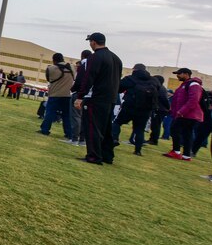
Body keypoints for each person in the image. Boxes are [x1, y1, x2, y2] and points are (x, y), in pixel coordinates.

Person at [74, 32, 122, 165]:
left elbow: (88, 77)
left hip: (96, 97)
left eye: (90, 42)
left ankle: (94, 156)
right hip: (111, 98)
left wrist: (80, 96)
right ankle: (107, 155)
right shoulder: (116, 58)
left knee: (92, 127)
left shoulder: (95, 57)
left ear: (93, 42)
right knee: (106, 129)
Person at [114, 64, 158, 156]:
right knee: (140, 129)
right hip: (146, 109)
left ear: (134, 69)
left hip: (130, 106)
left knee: (117, 122)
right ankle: (138, 150)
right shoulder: (153, 80)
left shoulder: (130, 78)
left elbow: (118, 88)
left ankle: (114, 138)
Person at [165, 68, 203, 161]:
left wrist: (182, 111)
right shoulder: (185, 85)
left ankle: (176, 151)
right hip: (187, 114)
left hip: (187, 114)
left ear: (186, 74)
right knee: (187, 134)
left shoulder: (193, 84)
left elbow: (193, 100)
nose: (177, 76)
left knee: (175, 129)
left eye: (179, 74)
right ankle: (186, 155)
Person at [38, 53, 74, 138]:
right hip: (67, 95)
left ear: (53, 60)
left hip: (55, 94)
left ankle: (45, 130)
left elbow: (48, 78)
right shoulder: (72, 67)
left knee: (50, 113)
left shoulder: (51, 68)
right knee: (66, 115)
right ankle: (69, 133)